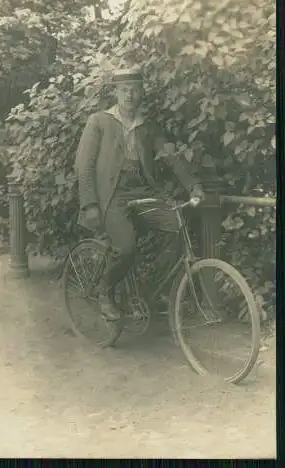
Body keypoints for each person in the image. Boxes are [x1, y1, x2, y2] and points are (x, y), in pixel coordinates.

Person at [75, 67, 205, 321]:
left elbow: (170, 156)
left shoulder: (147, 126)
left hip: (142, 192)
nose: (130, 95)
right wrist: (90, 203)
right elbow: (84, 165)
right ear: (116, 92)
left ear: (141, 92)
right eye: (124, 90)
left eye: (135, 90)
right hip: (112, 196)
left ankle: (145, 292)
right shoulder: (99, 121)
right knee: (125, 248)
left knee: (175, 228)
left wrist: (193, 185)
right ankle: (105, 292)